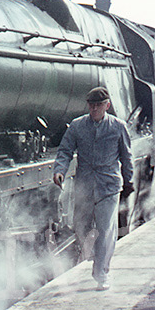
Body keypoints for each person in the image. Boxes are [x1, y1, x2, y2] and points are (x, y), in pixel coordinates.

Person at [52, 86, 133, 291]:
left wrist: (129, 181)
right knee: (80, 227)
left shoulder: (118, 127)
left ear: (107, 105)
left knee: (106, 230)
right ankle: (94, 255)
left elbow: (126, 157)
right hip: (85, 185)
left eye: (98, 105)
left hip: (108, 186)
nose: (94, 109)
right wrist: (59, 170)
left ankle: (102, 273)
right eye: (91, 105)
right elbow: (65, 150)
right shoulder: (77, 126)